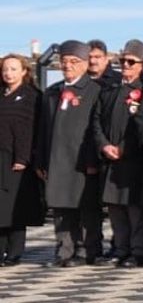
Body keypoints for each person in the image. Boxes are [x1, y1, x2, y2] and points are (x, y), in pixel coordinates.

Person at [36, 41, 104, 266]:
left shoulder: (95, 91)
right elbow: (43, 129)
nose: (68, 66)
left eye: (74, 62)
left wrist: (93, 160)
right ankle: (64, 251)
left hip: (82, 161)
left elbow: (97, 129)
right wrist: (41, 160)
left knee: (86, 209)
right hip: (56, 160)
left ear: (85, 64)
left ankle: (87, 251)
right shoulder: (52, 93)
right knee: (61, 207)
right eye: (63, 62)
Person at [93, 40, 143, 267]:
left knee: (135, 210)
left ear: (142, 65)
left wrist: (125, 148)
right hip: (110, 158)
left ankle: (139, 251)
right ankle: (120, 248)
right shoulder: (110, 89)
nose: (126, 66)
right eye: (123, 61)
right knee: (116, 209)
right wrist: (103, 144)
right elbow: (97, 120)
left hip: (134, 159)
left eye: (131, 62)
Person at [0, 54, 42, 265]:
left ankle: (15, 252)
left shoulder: (30, 96)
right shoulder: (2, 94)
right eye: (6, 69)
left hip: (18, 159)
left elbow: (29, 130)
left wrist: (23, 157)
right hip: (1, 156)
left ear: (24, 71)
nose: (8, 73)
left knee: (15, 208)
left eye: (14, 69)